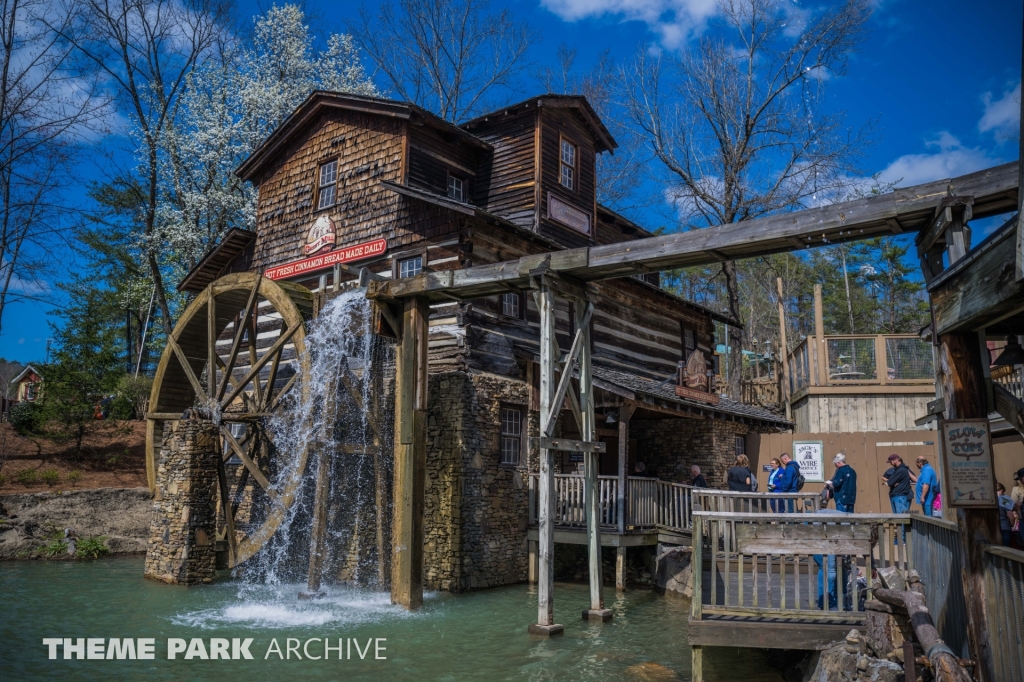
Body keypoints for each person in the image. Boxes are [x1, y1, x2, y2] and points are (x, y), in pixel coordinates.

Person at [997, 483, 1014, 547]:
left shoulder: (992, 501)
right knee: (1006, 549)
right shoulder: (1005, 500)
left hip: (993, 528)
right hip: (1005, 527)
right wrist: (1012, 525)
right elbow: (1011, 517)